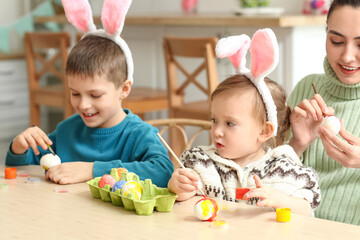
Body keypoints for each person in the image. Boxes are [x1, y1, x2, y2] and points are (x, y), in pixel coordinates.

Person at [5, 0, 173, 187]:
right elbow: (28, 169)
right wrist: (19, 148)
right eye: (75, 93)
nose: (83, 105)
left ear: (124, 89)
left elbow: (163, 171)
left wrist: (91, 169)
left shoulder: (140, 134)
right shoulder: (66, 131)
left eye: (95, 95)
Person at [168, 29, 321, 216]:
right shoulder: (201, 162)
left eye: (230, 124)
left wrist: (281, 200)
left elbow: (307, 211)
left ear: (264, 131)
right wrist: (177, 187)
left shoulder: (285, 170)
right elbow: (181, 202)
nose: (216, 131)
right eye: (214, 120)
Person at [288, 0, 360, 225]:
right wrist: (297, 144)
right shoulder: (306, 88)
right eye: (336, 41)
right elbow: (265, 178)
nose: (347, 56)